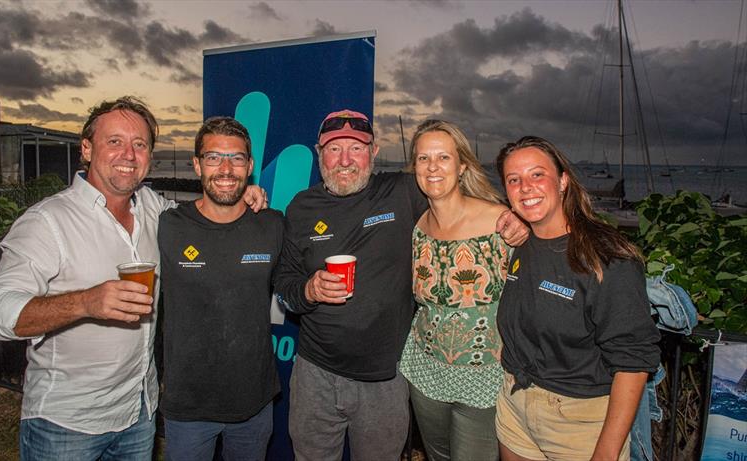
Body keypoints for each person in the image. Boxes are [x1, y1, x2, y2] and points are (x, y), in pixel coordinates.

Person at [0, 96, 266, 460]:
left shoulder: (155, 210)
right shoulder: (47, 222)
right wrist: (85, 302)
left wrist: (238, 194)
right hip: (67, 425)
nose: (128, 154)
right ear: (86, 148)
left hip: (137, 416)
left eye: (139, 144)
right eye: (114, 141)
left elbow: (204, 216)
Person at [273, 110, 528, 461]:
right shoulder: (301, 207)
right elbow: (285, 283)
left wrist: (514, 216)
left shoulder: (403, 192)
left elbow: (452, 194)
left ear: (374, 152)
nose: (345, 160)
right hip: (315, 374)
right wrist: (308, 291)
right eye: (334, 149)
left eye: (356, 149)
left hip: (386, 379)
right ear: (319, 154)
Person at [493, 136, 661, 461]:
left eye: (537, 174)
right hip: (515, 404)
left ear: (563, 181)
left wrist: (607, 451)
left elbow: (633, 361)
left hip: (579, 420)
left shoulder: (606, 257)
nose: (525, 187)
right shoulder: (521, 245)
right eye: (514, 180)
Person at [157, 117, 282, 461]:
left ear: (250, 166)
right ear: (197, 164)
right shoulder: (167, 224)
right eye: (213, 157)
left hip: (253, 405)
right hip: (188, 408)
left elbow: (294, 283)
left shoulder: (272, 225)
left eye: (236, 158)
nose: (226, 169)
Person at [398, 120, 510, 461]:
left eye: (443, 158)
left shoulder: (501, 223)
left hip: (486, 376)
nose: (432, 167)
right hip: (425, 371)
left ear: (462, 165)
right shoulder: (417, 225)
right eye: (423, 158)